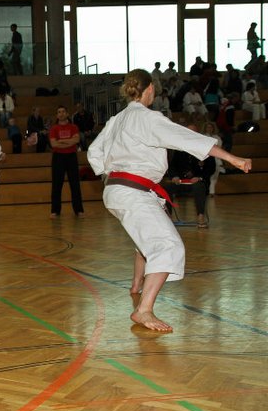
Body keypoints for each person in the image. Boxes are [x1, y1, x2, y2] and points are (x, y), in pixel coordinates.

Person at [87, 68, 251, 332]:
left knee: (150, 240)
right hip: (133, 191)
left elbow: (94, 151)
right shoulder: (148, 118)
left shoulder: (117, 119)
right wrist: (233, 158)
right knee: (167, 245)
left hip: (118, 189)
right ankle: (144, 310)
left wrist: (112, 173)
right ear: (150, 88)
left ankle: (137, 285)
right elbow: (188, 139)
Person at [163, 126, 216, 228]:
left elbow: (211, 168)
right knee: (166, 188)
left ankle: (200, 216)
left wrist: (200, 177)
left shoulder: (205, 147)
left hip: (198, 181)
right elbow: (172, 166)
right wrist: (174, 176)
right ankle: (168, 216)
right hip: (181, 181)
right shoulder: (179, 148)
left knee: (199, 187)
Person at [49, 105, 84, 218]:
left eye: (63, 111)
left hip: (71, 157)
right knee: (56, 184)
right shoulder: (54, 128)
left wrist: (61, 141)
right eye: (59, 112)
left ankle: (78, 210)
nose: (61, 114)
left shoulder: (73, 127)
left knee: (75, 184)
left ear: (67, 114)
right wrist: (69, 141)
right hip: (58, 157)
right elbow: (54, 144)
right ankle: (55, 211)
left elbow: (76, 140)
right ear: (57, 115)